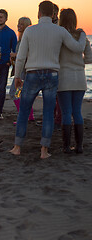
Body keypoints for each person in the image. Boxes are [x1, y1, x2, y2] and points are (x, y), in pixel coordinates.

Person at [9, 1, 86, 159]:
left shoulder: (30, 31)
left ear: (38, 14)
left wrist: (17, 76)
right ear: (52, 14)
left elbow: (22, 56)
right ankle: (44, 151)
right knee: (48, 113)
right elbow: (77, 48)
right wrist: (83, 35)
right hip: (52, 74)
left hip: (32, 74)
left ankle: (17, 147)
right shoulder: (60, 31)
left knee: (23, 111)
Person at [57, 8, 92, 154]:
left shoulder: (58, 36)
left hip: (64, 78)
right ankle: (79, 146)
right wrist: (78, 60)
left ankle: (66, 147)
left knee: (66, 113)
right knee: (77, 111)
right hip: (79, 79)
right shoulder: (82, 36)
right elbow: (89, 59)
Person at [9, 17, 35, 124]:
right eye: (18, 23)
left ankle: (23, 116)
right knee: (24, 95)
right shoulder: (20, 39)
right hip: (22, 70)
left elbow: (28, 55)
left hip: (25, 71)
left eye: (21, 24)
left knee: (13, 93)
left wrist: (16, 55)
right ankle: (30, 116)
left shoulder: (27, 39)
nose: (18, 26)